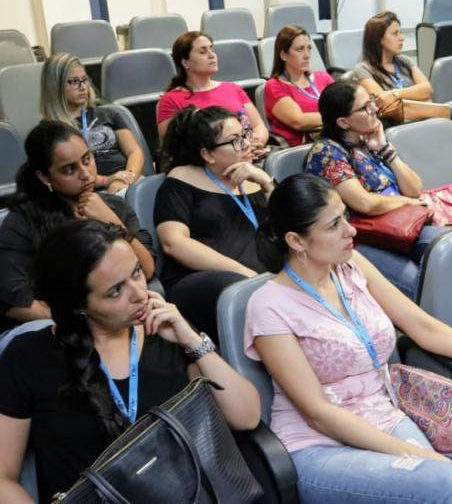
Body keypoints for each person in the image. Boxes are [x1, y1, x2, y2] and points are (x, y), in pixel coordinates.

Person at [245, 173, 452, 503]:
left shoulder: (351, 267)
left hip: (384, 418)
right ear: (297, 241)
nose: (351, 230)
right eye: (334, 225)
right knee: (447, 484)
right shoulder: (269, 306)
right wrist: (414, 454)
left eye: (345, 216)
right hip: (318, 446)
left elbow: (422, 326)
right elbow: (317, 412)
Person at [0, 220, 260, 503]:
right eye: (115, 291)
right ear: (78, 306)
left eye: (136, 272)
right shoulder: (28, 357)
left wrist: (193, 342)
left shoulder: (165, 330)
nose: (139, 293)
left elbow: (245, 417)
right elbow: (2, 478)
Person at [0, 121, 155, 338]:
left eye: (87, 159)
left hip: (114, 318)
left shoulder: (114, 206)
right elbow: (15, 303)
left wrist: (111, 221)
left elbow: (147, 269)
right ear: (45, 177)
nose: (86, 175)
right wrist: (90, 322)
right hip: (53, 329)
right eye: (69, 169)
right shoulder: (23, 221)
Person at [304, 82, 447, 299]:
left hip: (400, 228)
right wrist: (405, 202)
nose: (374, 110)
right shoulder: (327, 152)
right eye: (364, 108)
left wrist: (385, 150)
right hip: (358, 239)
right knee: (426, 289)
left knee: (451, 250)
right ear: (343, 122)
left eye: (371, 102)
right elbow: (364, 203)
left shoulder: (367, 142)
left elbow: (414, 189)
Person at [155, 106, 274, 334]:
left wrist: (267, 182)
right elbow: (174, 243)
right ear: (208, 154)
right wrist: (245, 274)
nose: (247, 144)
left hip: (261, 277)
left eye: (245, 135)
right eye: (235, 140)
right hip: (205, 280)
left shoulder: (253, 177)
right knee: (242, 290)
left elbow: (294, 223)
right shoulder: (181, 179)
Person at [40, 53, 145, 194]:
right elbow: (66, 175)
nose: (83, 87)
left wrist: (125, 179)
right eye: (74, 81)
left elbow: (135, 151)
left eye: (84, 80)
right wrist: (107, 180)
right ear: (56, 86)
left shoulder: (108, 114)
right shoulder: (49, 130)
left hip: (129, 181)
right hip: (90, 192)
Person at [157, 31, 269, 155]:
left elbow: (258, 125)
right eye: (203, 51)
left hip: (248, 154)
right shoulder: (170, 100)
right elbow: (175, 147)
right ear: (185, 62)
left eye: (212, 49)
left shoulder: (232, 88)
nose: (212, 55)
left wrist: (255, 142)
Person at [353, 12, 434, 120]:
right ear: (379, 39)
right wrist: (418, 97)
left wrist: (394, 94)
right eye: (395, 33)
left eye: (400, 32)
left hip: (419, 120)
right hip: (393, 127)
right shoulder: (363, 69)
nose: (402, 38)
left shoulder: (405, 61)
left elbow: (427, 90)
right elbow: (385, 105)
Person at [264, 25, 335, 146]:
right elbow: (299, 121)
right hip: (302, 149)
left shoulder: (323, 77)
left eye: (309, 48)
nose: (307, 55)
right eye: (300, 49)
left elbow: (345, 103)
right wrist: (339, 116)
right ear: (283, 55)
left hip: (331, 140)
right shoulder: (274, 86)